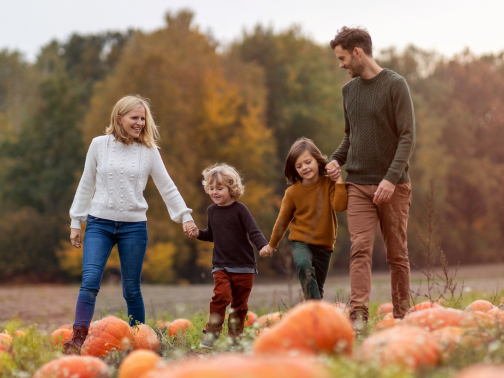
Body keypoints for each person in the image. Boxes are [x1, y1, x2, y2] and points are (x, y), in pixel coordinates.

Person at [65, 94, 196, 354]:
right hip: (99, 224)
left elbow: (166, 186)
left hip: (134, 227)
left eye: (143, 118)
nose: (139, 123)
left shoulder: (149, 151)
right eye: (134, 118)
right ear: (119, 118)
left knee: (132, 289)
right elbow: (86, 183)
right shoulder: (98, 145)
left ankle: (140, 343)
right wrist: (75, 220)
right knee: (90, 281)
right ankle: (78, 338)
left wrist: (185, 215)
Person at [326, 27, 416, 324]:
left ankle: (402, 316)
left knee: (396, 254)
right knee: (359, 249)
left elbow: (407, 137)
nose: (341, 65)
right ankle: (359, 316)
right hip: (358, 186)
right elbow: (351, 136)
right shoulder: (348, 91)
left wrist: (391, 179)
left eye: (342, 58)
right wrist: (335, 160)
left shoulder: (395, 85)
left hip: (394, 186)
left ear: (358, 53)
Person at [188, 163, 268, 350]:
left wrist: (263, 245)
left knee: (239, 306)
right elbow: (212, 234)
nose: (214, 192)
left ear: (232, 189)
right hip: (221, 265)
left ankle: (234, 339)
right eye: (211, 188)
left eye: (220, 188)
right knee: (221, 296)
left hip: (244, 266)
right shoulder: (211, 211)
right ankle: (212, 333)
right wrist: (198, 233)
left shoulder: (240, 210)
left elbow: (253, 231)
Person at [260, 137, 347, 300]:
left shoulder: (328, 184)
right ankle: (314, 308)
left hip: (325, 246)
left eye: (308, 162)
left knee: (317, 289)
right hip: (301, 242)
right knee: (303, 265)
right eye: (299, 166)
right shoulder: (292, 193)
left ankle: (313, 315)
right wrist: (271, 245)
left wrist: (339, 180)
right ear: (294, 169)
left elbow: (340, 206)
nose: (304, 168)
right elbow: (282, 221)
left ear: (317, 160)